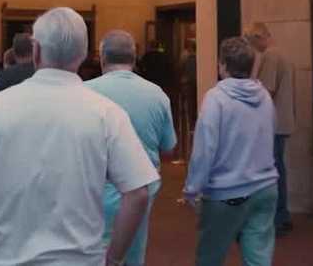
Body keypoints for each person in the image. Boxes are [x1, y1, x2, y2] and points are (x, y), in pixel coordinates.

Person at [0, 8, 158, 266]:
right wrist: (114, 258)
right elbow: (138, 193)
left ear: (36, 50)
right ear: (85, 53)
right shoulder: (107, 113)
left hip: (4, 258)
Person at [184, 36, 279, 266]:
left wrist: (192, 189)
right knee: (258, 259)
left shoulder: (216, 99)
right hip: (266, 187)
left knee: (210, 257)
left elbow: (204, 150)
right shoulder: (264, 95)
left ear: (223, 65)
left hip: (227, 192)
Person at [86, 31, 176, 266]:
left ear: (102, 58)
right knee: (135, 247)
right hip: (143, 188)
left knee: (95, 253)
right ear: (135, 58)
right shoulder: (157, 94)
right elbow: (169, 147)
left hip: (96, 187)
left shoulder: (84, 92)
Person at [248, 22, 296, 235]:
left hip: (272, 123)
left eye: (252, 41)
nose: (252, 47)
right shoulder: (284, 55)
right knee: (278, 167)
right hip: (282, 121)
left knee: (273, 170)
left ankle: (278, 217)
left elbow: (265, 90)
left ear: (260, 36)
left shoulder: (271, 56)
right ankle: (280, 215)